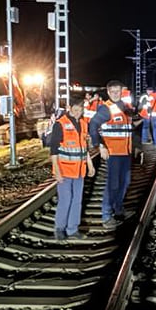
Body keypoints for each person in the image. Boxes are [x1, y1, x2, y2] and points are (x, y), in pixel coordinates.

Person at [89, 80, 136, 230]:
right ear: (108, 92)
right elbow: (93, 125)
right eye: (113, 92)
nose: (116, 94)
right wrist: (101, 145)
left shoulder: (124, 107)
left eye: (118, 91)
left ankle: (119, 210)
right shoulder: (106, 109)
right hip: (113, 152)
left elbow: (129, 128)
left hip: (125, 151)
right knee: (113, 185)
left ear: (121, 92)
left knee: (125, 182)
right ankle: (106, 216)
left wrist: (137, 146)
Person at [48, 98, 96, 240]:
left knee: (77, 200)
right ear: (69, 108)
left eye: (80, 110)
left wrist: (90, 164)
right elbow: (54, 150)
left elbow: (84, 147)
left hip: (79, 170)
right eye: (75, 110)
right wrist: (56, 171)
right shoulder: (60, 124)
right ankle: (59, 229)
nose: (77, 113)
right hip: (65, 170)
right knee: (65, 199)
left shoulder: (83, 123)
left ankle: (72, 229)